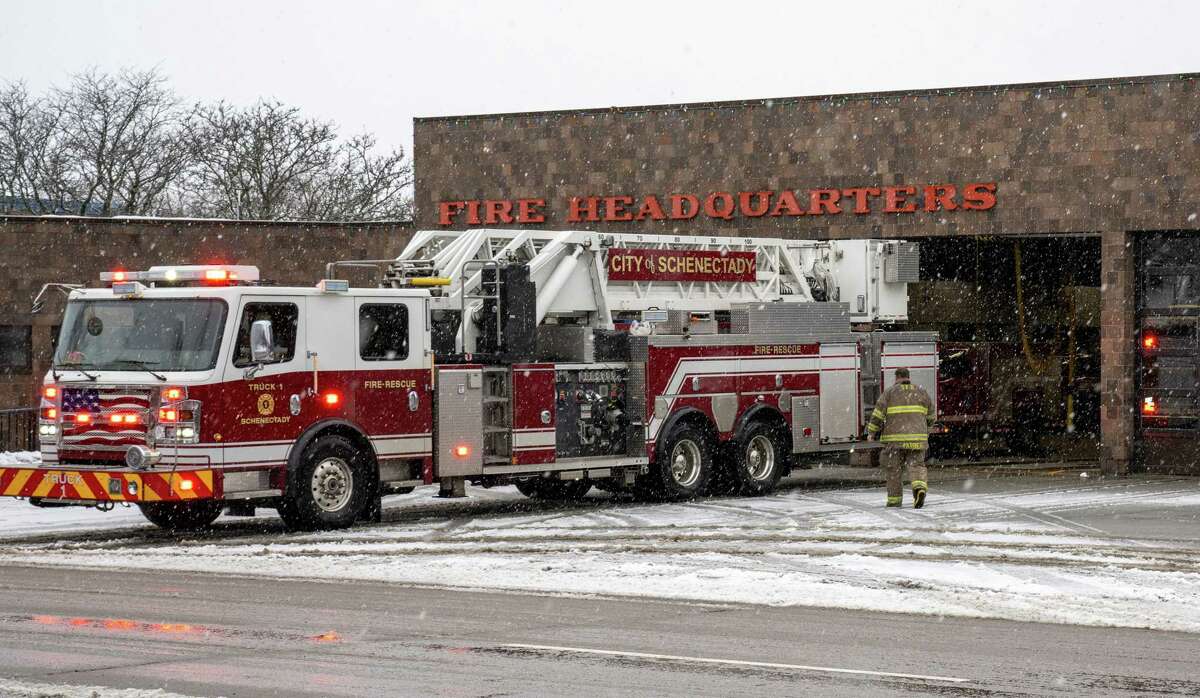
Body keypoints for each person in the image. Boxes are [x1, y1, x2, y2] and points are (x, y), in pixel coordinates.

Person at [866, 367, 935, 508]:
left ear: (896, 378)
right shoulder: (921, 392)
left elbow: (878, 415)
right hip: (917, 440)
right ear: (908, 377)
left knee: (893, 470)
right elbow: (931, 416)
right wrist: (925, 430)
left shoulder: (889, 393)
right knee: (917, 466)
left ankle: (894, 500)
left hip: (894, 442)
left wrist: (871, 432)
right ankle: (919, 488)